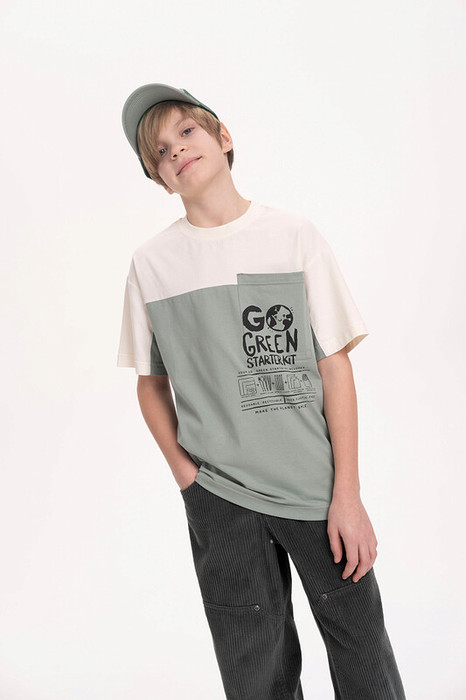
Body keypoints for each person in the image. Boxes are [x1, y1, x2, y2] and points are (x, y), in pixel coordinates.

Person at [117, 83, 406, 699]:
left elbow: (335, 367)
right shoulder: (152, 264)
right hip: (220, 496)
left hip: (314, 490)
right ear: (159, 179)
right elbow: (150, 384)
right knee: (254, 669)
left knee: (363, 655)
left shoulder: (292, 236)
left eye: (186, 132)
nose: (176, 151)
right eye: (160, 152)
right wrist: (188, 479)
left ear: (223, 137)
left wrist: (348, 494)